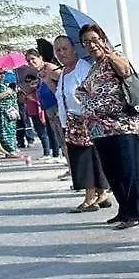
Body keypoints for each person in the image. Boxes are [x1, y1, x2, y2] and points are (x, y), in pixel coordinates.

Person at [76, 23, 139, 230]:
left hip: (122, 125)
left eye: (94, 39)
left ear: (103, 38)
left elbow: (126, 72)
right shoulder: (94, 66)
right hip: (100, 129)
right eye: (86, 42)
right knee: (113, 172)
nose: (91, 45)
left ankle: (136, 212)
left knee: (129, 171)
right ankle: (124, 210)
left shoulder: (116, 57)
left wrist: (110, 54)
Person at [54, 34, 111, 214]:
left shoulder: (83, 68)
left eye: (65, 48)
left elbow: (91, 93)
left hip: (85, 120)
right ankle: (101, 193)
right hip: (71, 123)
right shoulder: (63, 72)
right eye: (58, 50)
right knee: (87, 158)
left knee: (86, 159)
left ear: (74, 48)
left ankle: (90, 197)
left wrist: (84, 115)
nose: (62, 53)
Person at [16, 65, 60, 162]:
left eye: (31, 81)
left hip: (42, 112)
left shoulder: (38, 88)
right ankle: (48, 152)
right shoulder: (29, 90)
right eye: (27, 82)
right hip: (34, 113)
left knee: (47, 133)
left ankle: (52, 153)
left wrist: (33, 98)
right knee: (43, 133)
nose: (29, 83)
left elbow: (38, 100)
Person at [0, 69, 21, 158]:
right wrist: (8, 92)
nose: (2, 75)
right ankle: (9, 151)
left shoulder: (6, 84)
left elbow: (14, 98)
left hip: (10, 112)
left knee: (11, 131)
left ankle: (10, 149)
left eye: (3, 73)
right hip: (1, 113)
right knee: (4, 131)